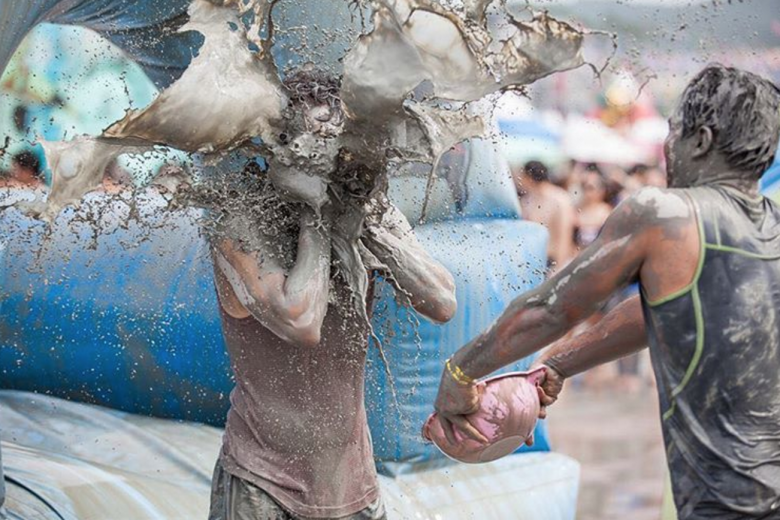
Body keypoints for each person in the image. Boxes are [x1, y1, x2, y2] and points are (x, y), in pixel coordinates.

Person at [433, 64, 780, 519]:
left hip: (729, 503)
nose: (668, 147)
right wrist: (558, 363)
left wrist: (458, 374)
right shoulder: (770, 224)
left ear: (702, 141)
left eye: (674, 132)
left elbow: (549, 310)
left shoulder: (666, 213)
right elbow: (659, 308)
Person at [208, 75, 457, 520]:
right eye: (312, 145)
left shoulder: (369, 210)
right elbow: (301, 321)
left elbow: (440, 302)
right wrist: (316, 215)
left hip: (354, 486)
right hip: (263, 486)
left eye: (337, 143)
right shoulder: (240, 218)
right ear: (279, 147)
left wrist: (365, 222)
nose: (327, 158)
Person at [512, 160, 576, 271]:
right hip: (533, 260)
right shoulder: (528, 199)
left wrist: (558, 268)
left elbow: (564, 236)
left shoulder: (560, 200)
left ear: (528, 177)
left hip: (552, 260)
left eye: (522, 177)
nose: (519, 181)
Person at [574, 166, 612, 250]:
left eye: (591, 188)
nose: (587, 193)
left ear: (602, 190)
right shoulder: (577, 210)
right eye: (584, 188)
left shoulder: (606, 212)